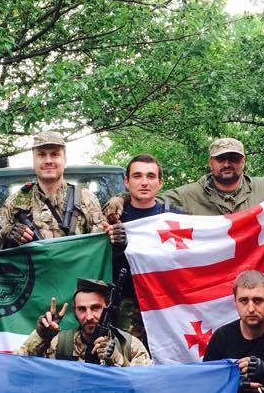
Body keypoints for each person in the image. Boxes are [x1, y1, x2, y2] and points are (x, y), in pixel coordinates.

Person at [102, 154, 180, 346]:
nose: (144, 182)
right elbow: (97, 263)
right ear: (126, 182)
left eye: (151, 176)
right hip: (125, 308)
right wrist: (117, 250)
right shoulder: (110, 219)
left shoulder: (176, 218)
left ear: (160, 183)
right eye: (137, 176)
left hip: (166, 306)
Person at [0, 131, 118, 247]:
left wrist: (118, 243)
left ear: (64, 161)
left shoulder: (85, 198)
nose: (48, 160)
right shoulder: (15, 201)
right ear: (34, 161)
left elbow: (101, 245)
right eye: (42, 154)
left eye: (55, 154)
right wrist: (6, 233)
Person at [16, 279, 151, 365]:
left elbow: (144, 386)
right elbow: (17, 368)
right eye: (81, 309)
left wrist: (117, 359)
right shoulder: (59, 344)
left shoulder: (128, 345)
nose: (89, 316)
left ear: (107, 307)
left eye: (95, 308)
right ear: (74, 311)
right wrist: (41, 336)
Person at [161, 138, 264, 216]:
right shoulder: (188, 195)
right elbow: (148, 204)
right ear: (210, 162)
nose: (227, 164)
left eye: (233, 159)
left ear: (243, 161)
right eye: (220, 159)